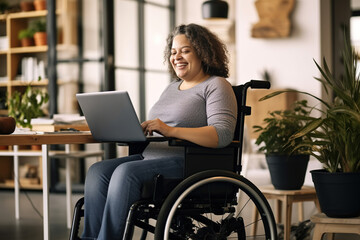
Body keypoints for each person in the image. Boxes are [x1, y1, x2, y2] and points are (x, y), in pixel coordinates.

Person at [81, 23, 237, 240]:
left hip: (189, 162)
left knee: (125, 173)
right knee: (98, 171)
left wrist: (170, 130)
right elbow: (163, 126)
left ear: (202, 52)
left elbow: (222, 135)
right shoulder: (172, 87)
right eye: (173, 52)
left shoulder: (217, 85)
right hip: (150, 156)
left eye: (185, 50)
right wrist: (141, 130)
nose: (177, 57)